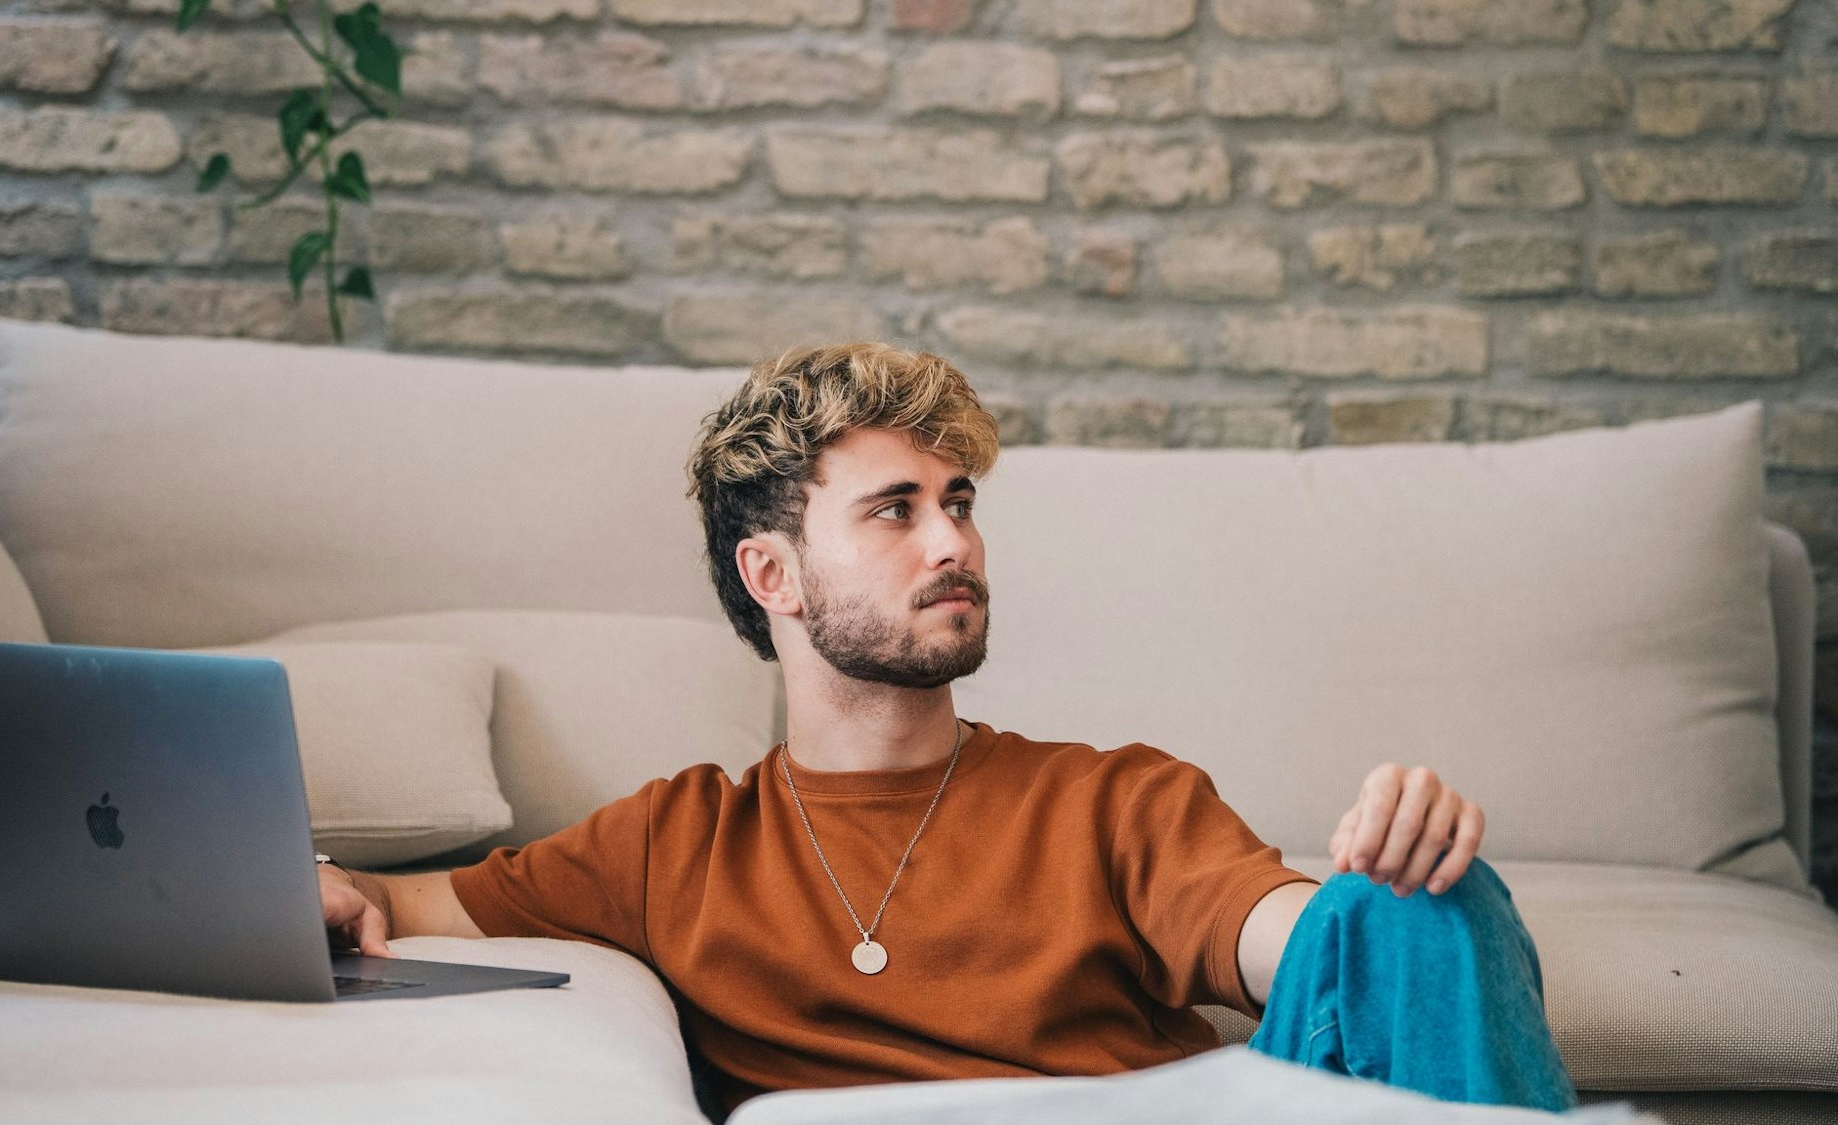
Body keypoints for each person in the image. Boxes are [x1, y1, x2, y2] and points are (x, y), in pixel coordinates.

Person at [317, 343, 1576, 1116]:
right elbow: (391, 903)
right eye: (895, 510)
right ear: (774, 577)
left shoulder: (1113, 800)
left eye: (959, 502)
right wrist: (306, 884)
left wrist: (1387, 882)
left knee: (1423, 911)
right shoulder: (672, 843)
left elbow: (1294, 944)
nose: (953, 541)